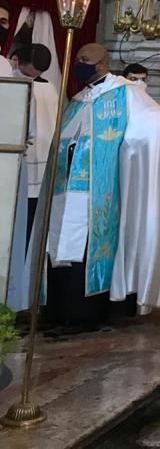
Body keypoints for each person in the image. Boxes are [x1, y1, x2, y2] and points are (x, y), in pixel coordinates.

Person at [42, 43, 160, 332]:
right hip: (68, 189)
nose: (78, 65)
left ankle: (88, 314)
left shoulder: (126, 94)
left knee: (89, 248)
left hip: (101, 192)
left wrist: (131, 151)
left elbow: (153, 122)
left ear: (101, 63)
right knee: (62, 248)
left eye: (84, 60)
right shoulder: (79, 99)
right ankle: (59, 311)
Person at [6, 43, 59, 310]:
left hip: (23, 173)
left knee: (21, 237)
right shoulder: (50, 88)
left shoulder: (24, 89)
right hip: (46, 173)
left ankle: (21, 298)